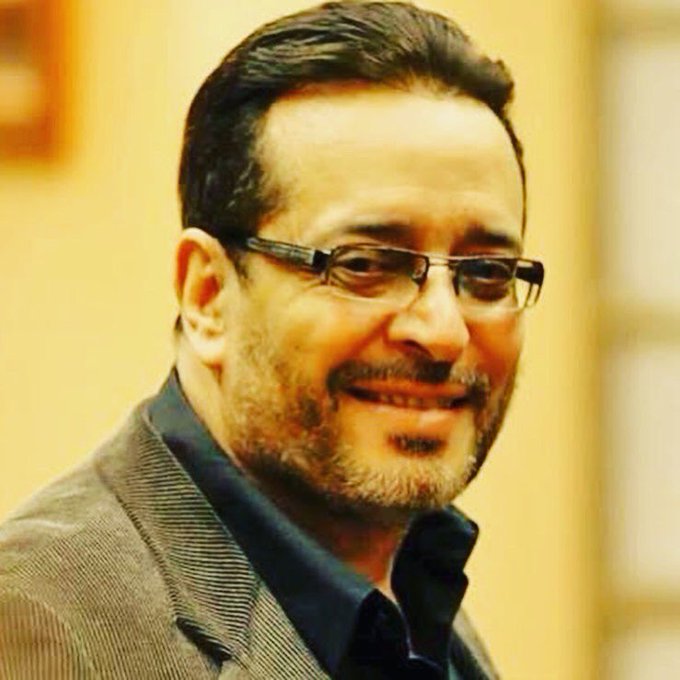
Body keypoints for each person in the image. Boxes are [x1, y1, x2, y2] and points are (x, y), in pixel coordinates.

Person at [0, 2, 544, 678]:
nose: (441, 331)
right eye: (364, 265)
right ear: (208, 295)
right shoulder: (42, 621)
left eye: (487, 274)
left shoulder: (410, 585)